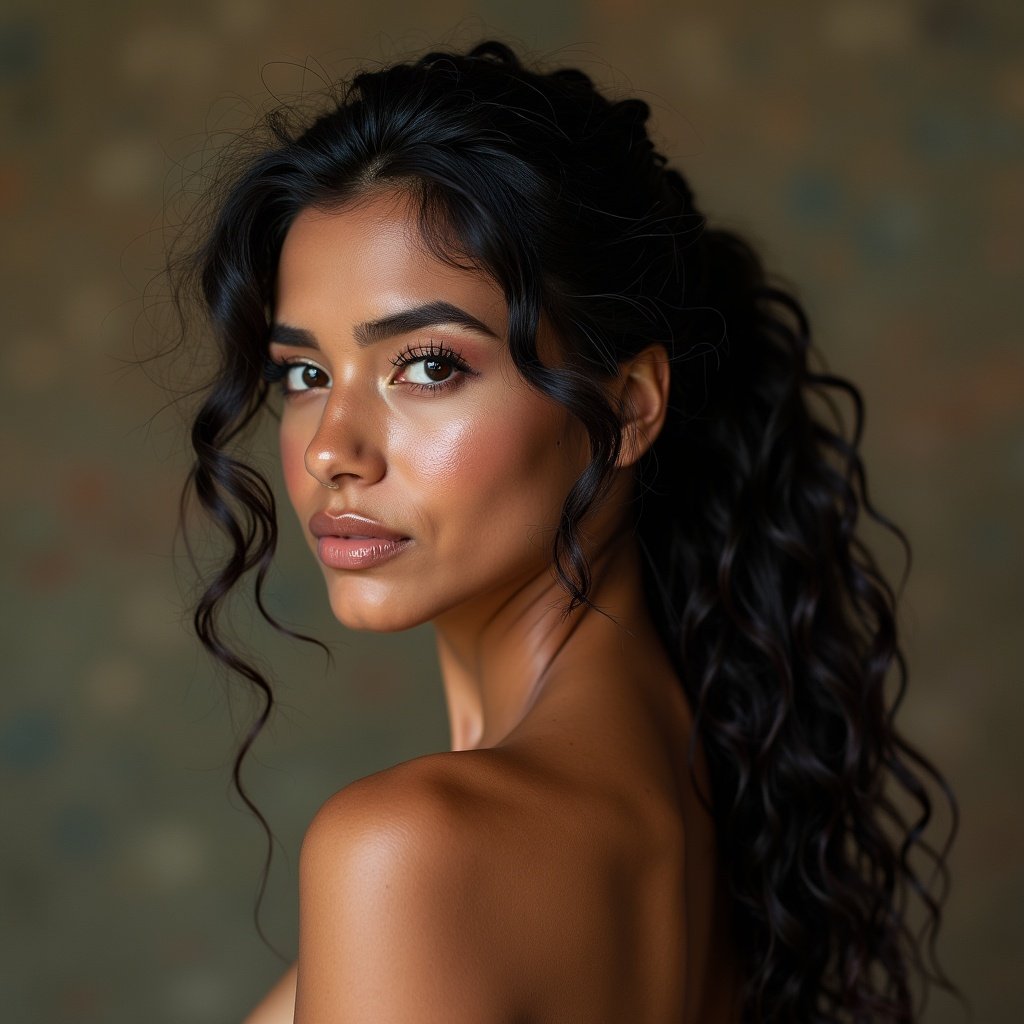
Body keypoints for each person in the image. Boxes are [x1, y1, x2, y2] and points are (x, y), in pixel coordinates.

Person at [175, 39, 959, 1023]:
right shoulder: (707, 795)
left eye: (425, 366)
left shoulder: (410, 852)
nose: (334, 447)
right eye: (303, 373)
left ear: (629, 406)